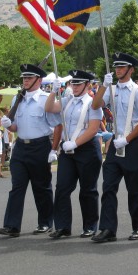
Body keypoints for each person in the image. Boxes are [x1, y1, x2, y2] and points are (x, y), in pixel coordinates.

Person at [90, 54, 138, 243]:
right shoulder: (111, 89)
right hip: (115, 144)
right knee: (108, 187)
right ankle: (108, 229)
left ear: (131, 69)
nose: (118, 70)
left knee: (135, 188)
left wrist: (128, 139)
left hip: (130, 144)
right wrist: (103, 86)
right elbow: (95, 104)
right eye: (116, 67)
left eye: (122, 67)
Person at [0, 64, 62, 238]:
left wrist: (54, 149)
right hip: (21, 147)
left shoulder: (46, 99)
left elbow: (58, 126)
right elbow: (17, 126)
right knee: (17, 186)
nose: (25, 81)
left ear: (38, 80)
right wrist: (9, 126)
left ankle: (45, 223)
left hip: (40, 146)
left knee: (41, 187)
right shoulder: (17, 100)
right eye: (24, 78)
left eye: (29, 78)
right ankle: (12, 225)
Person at [45, 70, 102, 239]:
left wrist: (76, 143)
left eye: (78, 84)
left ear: (87, 85)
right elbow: (49, 108)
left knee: (88, 190)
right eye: (73, 83)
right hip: (68, 151)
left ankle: (90, 226)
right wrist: (54, 91)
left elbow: (93, 129)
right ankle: (63, 226)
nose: (75, 87)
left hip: (86, 149)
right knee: (62, 188)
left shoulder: (93, 103)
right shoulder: (67, 100)